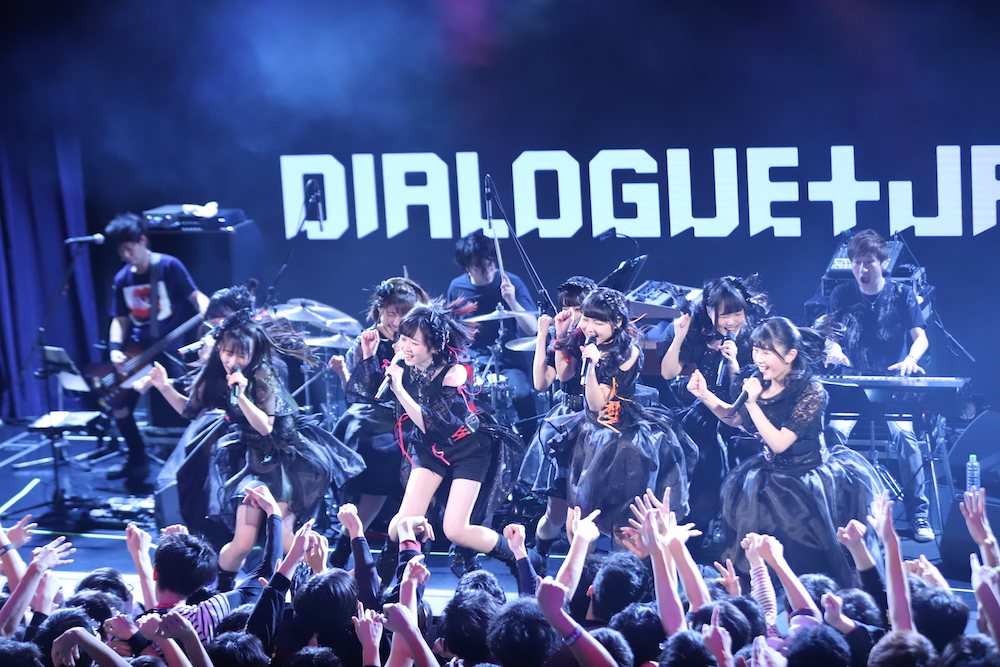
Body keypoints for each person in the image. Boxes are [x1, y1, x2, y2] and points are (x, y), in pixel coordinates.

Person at [147, 310, 363, 584]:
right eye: (228, 353)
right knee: (243, 541)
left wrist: (242, 396)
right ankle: (221, 590)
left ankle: (326, 583)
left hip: (283, 460)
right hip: (249, 461)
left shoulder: (264, 375)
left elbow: (265, 426)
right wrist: (164, 386)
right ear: (219, 349)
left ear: (253, 353)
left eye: (241, 355)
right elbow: (191, 411)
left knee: (283, 536)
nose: (233, 361)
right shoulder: (215, 374)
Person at [687, 316, 884, 587]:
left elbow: (780, 443)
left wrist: (753, 404)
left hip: (808, 479)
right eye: (756, 350)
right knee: (762, 564)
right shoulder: (753, 379)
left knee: (809, 562)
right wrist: (704, 394)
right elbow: (736, 417)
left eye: (766, 352)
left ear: (790, 355)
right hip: (768, 475)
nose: (758, 358)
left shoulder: (810, 391)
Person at [370, 300, 520, 564]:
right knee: (404, 521)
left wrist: (400, 390)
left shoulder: (454, 373)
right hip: (430, 448)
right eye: (403, 339)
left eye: (414, 342)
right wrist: (370, 357)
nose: (405, 347)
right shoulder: (404, 365)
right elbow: (369, 396)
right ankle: (384, 576)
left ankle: (520, 557)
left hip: (468, 448)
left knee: (456, 530)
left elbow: (434, 425)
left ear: (434, 347)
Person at [559, 287, 697, 538]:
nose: (589, 327)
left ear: (617, 322)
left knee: (622, 526)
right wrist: (562, 336)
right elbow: (563, 376)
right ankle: (582, 562)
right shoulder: (591, 343)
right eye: (587, 319)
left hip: (619, 439)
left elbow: (597, 404)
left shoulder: (627, 353)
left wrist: (592, 366)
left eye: (598, 322)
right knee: (575, 524)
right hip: (589, 431)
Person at [824, 229, 933, 543]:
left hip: (891, 385)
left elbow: (921, 338)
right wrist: (834, 349)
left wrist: (911, 358)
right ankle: (838, 512)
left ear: (883, 263)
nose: (862, 269)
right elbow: (829, 336)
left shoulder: (902, 294)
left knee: (906, 437)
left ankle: (918, 514)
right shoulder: (841, 294)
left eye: (869, 262)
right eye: (857, 263)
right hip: (852, 384)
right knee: (833, 434)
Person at [658, 276, 769, 552]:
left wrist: (733, 364)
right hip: (699, 412)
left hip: (739, 413)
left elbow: (744, 395)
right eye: (725, 315)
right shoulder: (696, 332)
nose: (732, 321)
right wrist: (679, 337)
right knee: (701, 464)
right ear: (709, 311)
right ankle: (692, 538)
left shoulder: (752, 338)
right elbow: (668, 373)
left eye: (737, 313)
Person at [329, 277, 430, 565]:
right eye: (391, 313)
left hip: (412, 414)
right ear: (380, 311)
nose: (396, 321)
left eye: (403, 314)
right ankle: (346, 546)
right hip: (377, 419)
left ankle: (401, 551)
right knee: (376, 476)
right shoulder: (368, 339)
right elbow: (360, 395)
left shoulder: (420, 339)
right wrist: (369, 356)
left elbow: (425, 388)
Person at [102, 213, 209, 482]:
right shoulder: (122, 278)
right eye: (121, 251)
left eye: (129, 248)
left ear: (143, 240)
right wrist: (114, 349)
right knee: (119, 403)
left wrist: (207, 309)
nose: (126, 255)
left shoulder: (169, 266)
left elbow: (195, 295)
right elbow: (120, 319)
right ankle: (137, 459)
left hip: (170, 348)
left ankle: (196, 462)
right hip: (138, 350)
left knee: (192, 405)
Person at [516, 276, 596, 563]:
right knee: (555, 514)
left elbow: (566, 373)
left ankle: (583, 573)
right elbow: (542, 382)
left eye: (578, 309)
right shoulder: (563, 336)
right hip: (565, 427)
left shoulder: (596, 338)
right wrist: (544, 335)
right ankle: (539, 556)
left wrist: (564, 338)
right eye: (566, 308)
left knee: (581, 514)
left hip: (594, 426)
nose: (572, 314)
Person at [446, 230, 538, 430]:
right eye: (479, 266)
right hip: (473, 365)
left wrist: (512, 301)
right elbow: (452, 332)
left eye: (490, 263)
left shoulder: (510, 282)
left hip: (509, 363)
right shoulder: (457, 287)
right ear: (467, 267)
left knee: (523, 395)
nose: (487, 270)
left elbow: (533, 329)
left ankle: (530, 441)